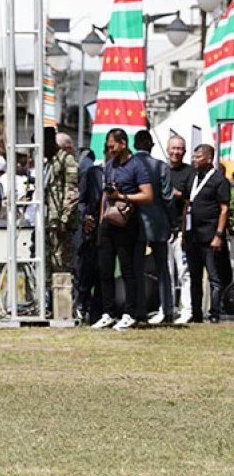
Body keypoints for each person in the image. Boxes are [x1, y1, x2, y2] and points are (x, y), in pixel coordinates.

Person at [91, 129, 154, 331]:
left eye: (112, 146)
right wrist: (101, 220)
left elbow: (148, 196)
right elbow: (105, 195)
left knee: (128, 269)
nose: (109, 149)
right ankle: (108, 312)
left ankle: (130, 312)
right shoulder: (110, 165)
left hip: (128, 224)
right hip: (108, 222)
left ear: (123, 143)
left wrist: (123, 197)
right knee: (105, 269)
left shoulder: (137, 166)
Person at [181, 144, 230, 324]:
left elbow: (224, 209)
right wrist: (183, 232)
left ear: (209, 159)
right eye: (194, 156)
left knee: (213, 278)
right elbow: (187, 204)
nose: (194, 160)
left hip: (210, 236)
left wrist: (218, 235)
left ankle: (214, 313)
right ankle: (196, 313)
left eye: (198, 157)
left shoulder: (219, 180)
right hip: (193, 236)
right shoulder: (193, 178)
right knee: (194, 277)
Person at [132, 131, 174, 324]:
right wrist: (173, 222)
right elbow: (167, 198)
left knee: (136, 268)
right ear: (150, 145)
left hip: (134, 223)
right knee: (162, 268)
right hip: (158, 223)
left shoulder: (129, 165)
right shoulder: (161, 166)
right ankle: (167, 309)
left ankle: (139, 309)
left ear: (134, 144)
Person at [44, 129, 79, 305]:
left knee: (62, 264)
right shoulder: (48, 163)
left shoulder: (66, 160)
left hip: (61, 223)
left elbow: (72, 192)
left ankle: (66, 305)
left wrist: (64, 219)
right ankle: (52, 303)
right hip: (48, 221)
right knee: (49, 264)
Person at [163, 135, 195, 324]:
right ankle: (166, 308)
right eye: (173, 148)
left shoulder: (189, 172)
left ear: (184, 151)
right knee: (166, 271)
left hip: (181, 228)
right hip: (163, 229)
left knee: (183, 271)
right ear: (168, 150)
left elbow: (191, 198)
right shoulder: (162, 170)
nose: (176, 152)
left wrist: (176, 193)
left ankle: (187, 309)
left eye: (180, 148)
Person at [74, 148, 103, 322]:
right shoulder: (92, 172)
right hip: (89, 230)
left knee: (93, 270)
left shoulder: (93, 171)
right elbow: (82, 201)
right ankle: (84, 305)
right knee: (86, 269)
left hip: (98, 229)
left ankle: (89, 307)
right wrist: (85, 217)